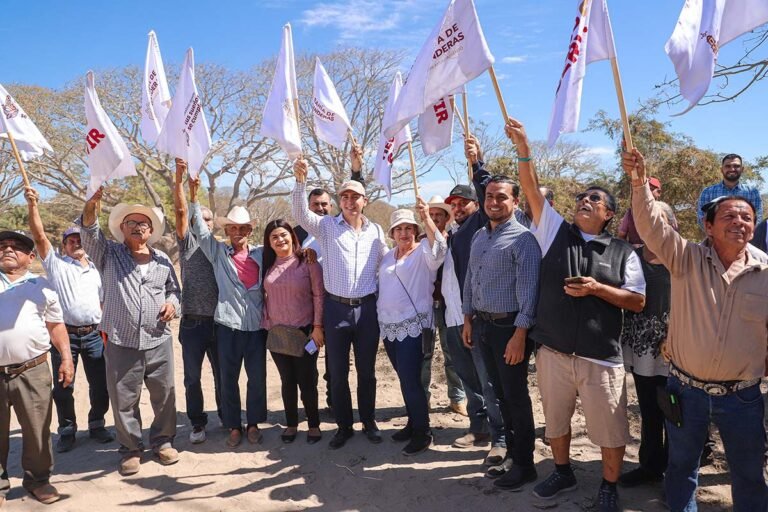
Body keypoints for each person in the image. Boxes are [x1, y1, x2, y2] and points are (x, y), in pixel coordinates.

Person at [505, 117, 646, 512]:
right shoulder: (554, 231)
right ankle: (563, 471)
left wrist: (598, 289)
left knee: (610, 428)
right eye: (582, 196)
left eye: (596, 199)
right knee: (556, 421)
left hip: (600, 357)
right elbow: (531, 189)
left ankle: (608, 486)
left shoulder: (623, 252)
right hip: (553, 352)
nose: (586, 200)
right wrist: (523, 149)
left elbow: (637, 301)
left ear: (609, 214)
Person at [625, 148, 768, 512]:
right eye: (730, 215)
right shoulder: (684, 257)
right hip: (686, 392)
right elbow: (649, 225)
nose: (740, 222)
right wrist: (639, 183)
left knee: (750, 475)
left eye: (747, 217)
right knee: (682, 469)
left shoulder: (766, 270)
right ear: (707, 225)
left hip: (744, 398)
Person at [80, 190, 181, 476]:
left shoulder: (161, 259)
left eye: (144, 223)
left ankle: (163, 442)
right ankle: (131, 449)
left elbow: (175, 291)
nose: (138, 227)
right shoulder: (108, 253)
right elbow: (88, 229)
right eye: (132, 223)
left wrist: (172, 304)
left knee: (165, 395)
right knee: (124, 399)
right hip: (121, 341)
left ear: (151, 230)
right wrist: (92, 203)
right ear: (121, 228)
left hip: (159, 338)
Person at [291, 156, 388, 450]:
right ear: (339, 201)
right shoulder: (326, 227)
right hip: (336, 309)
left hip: (367, 308)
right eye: (344, 196)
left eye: (354, 196)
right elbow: (300, 213)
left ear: (364, 200)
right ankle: (344, 426)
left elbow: (386, 264)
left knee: (367, 371)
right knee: (338, 371)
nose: (349, 201)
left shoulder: (376, 231)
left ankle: (368, 421)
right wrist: (299, 181)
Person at [462, 175, 542, 490]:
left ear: (515, 202)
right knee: (499, 394)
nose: (494, 202)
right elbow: (469, 278)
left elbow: (530, 293)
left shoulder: (523, 240)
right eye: (490, 196)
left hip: (509, 329)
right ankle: (510, 453)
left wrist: (520, 335)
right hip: (482, 325)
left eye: (502, 197)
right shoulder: (480, 236)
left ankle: (525, 464)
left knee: (515, 396)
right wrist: (468, 318)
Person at [24, 187, 113, 453]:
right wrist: (33, 206)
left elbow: (102, 299)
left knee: (101, 384)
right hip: (65, 336)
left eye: (79, 239)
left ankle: (97, 423)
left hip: (95, 334)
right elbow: (39, 236)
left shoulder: (99, 268)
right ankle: (67, 429)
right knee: (64, 385)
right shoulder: (57, 266)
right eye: (71, 241)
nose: (76, 243)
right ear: (63, 246)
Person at [441, 136, 507, 470]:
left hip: (481, 316)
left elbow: (486, 192)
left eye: (462, 202)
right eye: (452, 203)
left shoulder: (481, 222)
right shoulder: (454, 232)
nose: (457, 207)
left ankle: (501, 437)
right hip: (454, 316)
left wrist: (477, 163)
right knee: (468, 379)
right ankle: (478, 427)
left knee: (488, 379)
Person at [188, 177, 266, 449]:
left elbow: (286, 256)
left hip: (256, 326)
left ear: (249, 230)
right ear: (228, 230)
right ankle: (234, 425)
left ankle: (254, 423)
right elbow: (198, 229)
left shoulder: (261, 255)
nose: (238, 232)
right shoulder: (218, 252)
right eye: (233, 227)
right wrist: (193, 196)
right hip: (227, 325)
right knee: (228, 378)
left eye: (242, 228)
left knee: (256, 378)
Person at [0, 230, 73, 505]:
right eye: (3, 246)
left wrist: (66, 358)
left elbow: (56, 325)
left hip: (32, 370)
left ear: (30, 258)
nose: (8, 249)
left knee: (37, 430)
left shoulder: (41, 286)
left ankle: (38, 481)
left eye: (16, 246)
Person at [379, 201, 447, 455]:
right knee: (404, 380)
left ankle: (423, 432)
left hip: (414, 327)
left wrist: (427, 218)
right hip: (389, 328)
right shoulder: (387, 256)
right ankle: (413, 422)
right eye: (399, 229)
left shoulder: (424, 253)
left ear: (416, 230)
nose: (404, 233)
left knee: (411, 381)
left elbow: (441, 248)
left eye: (409, 228)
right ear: (392, 234)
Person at [619, 202, 678, 487]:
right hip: (642, 348)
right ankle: (651, 466)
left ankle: (676, 472)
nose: (653, 225)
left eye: (660, 219)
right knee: (649, 409)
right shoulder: (631, 256)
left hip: (677, 347)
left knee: (676, 411)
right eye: (647, 220)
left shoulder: (682, 256)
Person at [172, 159, 222, 444]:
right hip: (192, 324)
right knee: (192, 378)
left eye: (207, 219)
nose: (202, 222)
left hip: (219, 324)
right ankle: (197, 423)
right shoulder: (187, 243)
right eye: (197, 219)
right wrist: (181, 183)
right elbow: (180, 211)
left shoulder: (221, 249)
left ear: (213, 224)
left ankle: (228, 417)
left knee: (222, 376)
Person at [262, 220, 325, 444]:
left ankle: (314, 424)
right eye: (274, 237)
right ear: (269, 243)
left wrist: (318, 328)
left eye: (284, 235)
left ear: (292, 236)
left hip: (305, 332)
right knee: (287, 380)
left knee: (307, 380)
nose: (280, 240)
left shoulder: (308, 262)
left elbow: (319, 296)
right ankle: (291, 424)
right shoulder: (267, 265)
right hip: (277, 333)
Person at [420, 195, 466, 416]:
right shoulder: (418, 240)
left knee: (452, 353)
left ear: (447, 218)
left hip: (449, 305)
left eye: (439, 215)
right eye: (432, 215)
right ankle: (423, 399)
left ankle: (457, 398)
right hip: (425, 305)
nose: (435, 218)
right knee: (424, 353)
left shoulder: (456, 239)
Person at [697, 153, 762, 229]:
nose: (732, 169)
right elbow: (702, 219)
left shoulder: (752, 192)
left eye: (736, 166)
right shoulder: (707, 192)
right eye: (728, 166)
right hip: (716, 239)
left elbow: (757, 218)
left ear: (742, 169)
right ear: (721, 169)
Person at [618, 177, 662, 246]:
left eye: (650, 189)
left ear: (658, 192)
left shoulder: (665, 213)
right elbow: (621, 237)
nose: (646, 192)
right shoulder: (630, 213)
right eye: (644, 189)